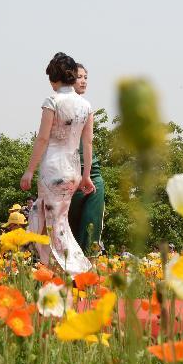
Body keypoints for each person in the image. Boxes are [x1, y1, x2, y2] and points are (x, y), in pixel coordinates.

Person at [20, 52, 94, 274]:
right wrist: (86, 175)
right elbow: (88, 143)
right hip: (73, 170)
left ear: (54, 77)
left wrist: (29, 170)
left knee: (55, 225)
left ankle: (75, 270)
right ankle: (52, 269)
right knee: (56, 221)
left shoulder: (52, 101)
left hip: (52, 168)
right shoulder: (86, 105)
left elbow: (42, 139)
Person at [67, 63, 105, 254]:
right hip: (68, 173)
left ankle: (89, 277)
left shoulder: (87, 106)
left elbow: (88, 142)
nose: (83, 81)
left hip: (91, 173)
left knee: (92, 229)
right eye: (79, 77)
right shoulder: (58, 104)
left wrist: (88, 173)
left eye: (86, 77)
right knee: (68, 230)